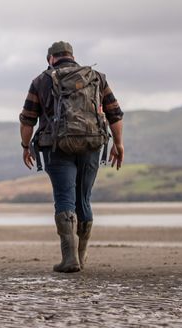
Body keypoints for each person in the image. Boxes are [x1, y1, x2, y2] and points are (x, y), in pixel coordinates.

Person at [19, 41, 124, 273]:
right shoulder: (96, 77)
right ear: (72, 56)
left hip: (56, 146)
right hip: (92, 144)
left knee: (64, 198)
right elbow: (114, 113)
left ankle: (69, 259)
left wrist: (25, 146)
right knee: (83, 199)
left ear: (50, 59)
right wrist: (118, 144)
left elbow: (28, 118)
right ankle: (81, 257)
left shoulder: (41, 81)